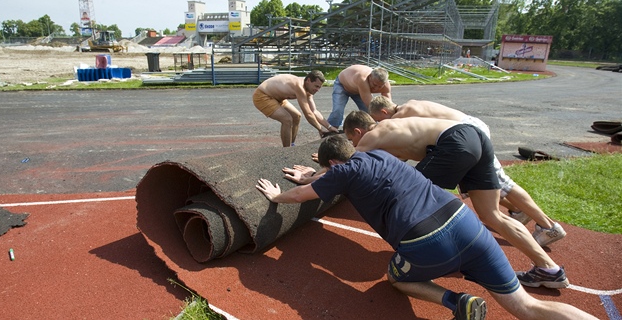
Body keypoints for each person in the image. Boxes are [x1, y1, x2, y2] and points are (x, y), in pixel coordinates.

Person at [256, 135, 597, 320]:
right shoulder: (380, 156)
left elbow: (302, 194)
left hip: (426, 240)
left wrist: (277, 194)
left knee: (396, 278)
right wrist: (319, 174)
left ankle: (456, 301)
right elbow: (336, 174)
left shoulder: (343, 172)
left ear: (331, 163)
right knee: (527, 307)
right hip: (468, 224)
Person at [341, 111, 569, 289]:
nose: (353, 145)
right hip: (473, 136)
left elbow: (349, 166)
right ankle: (549, 269)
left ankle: (434, 253)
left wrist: (314, 174)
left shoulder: (372, 136)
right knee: (492, 215)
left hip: (454, 142)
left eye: (351, 139)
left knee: (411, 196)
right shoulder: (394, 127)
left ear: (359, 131)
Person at [368, 96, 566, 247]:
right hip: (465, 131)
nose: (380, 125)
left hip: (465, 133)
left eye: (379, 120)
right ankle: (518, 211)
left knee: (503, 182)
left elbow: (405, 147)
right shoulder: (410, 104)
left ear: (384, 112)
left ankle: (548, 226)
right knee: (475, 188)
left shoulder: (402, 116)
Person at [252, 70, 337, 147]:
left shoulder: (309, 90)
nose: (317, 90)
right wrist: (320, 129)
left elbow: (314, 111)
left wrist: (329, 127)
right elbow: (308, 114)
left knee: (296, 116)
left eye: (319, 87)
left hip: (278, 98)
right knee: (287, 119)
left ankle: (291, 144)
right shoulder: (299, 87)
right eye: (316, 86)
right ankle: (287, 150)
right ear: (308, 81)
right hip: (263, 96)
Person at [326, 65, 391, 130]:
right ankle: (332, 131)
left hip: (358, 89)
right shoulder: (362, 79)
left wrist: (388, 119)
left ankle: (370, 131)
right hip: (342, 85)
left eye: (380, 86)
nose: (376, 88)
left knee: (368, 112)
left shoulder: (385, 84)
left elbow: (388, 106)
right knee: (338, 111)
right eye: (374, 84)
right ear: (370, 77)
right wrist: (380, 117)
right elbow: (371, 105)